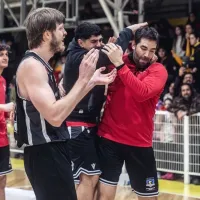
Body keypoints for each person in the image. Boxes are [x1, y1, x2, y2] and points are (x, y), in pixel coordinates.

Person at [14, 8, 116, 200]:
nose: (65, 33)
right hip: (44, 151)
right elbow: (54, 116)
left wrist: (90, 82)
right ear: (46, 34)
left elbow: (61, 105)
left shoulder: (41, 64)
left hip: (51, 150)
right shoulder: (32, 66)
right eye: (60, 28)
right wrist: (83, 79)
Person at [62, 21, 148, 200]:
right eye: (94, 42)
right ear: (81, 43)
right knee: (89, 177)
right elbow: (108, 57)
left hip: (88, 125)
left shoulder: (84, 53)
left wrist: (108, 47)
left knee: (91, 177)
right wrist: (126, 33)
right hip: (78, 126)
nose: (99, 45)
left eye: (100, 41)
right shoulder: (78, 58)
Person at [96, 27, 168, 200]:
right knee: (103, 197)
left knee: (148, 197)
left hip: (139, 143)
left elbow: (142, 92)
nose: (147, 55)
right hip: (109, 138)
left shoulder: (158, 70)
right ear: (134, 44)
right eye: (143, 48)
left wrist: (120, 66)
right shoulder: (116, 61)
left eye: (152, 50)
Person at [0, 44, 15, 200]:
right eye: (1, 54)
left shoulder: (3, 80)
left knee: (2, 180)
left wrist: (6, 115)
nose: (5, 57)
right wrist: (4, 106)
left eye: (6, 54)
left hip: (3, 138)